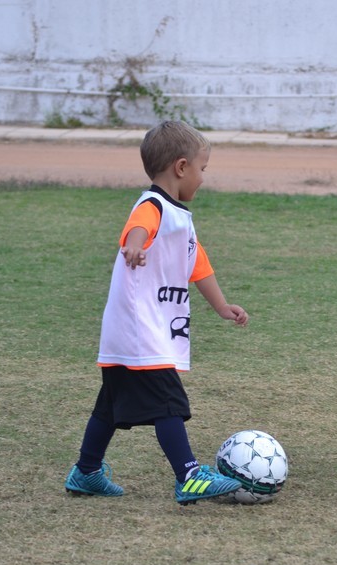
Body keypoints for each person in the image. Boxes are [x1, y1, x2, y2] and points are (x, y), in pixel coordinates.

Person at [64, 120, 250, 505]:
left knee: (111, 403)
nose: (203, 178)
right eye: (202, 169)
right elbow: (139, 228)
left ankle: (86, 471)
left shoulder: (180, 218)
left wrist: (221, 306)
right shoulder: (153, 206)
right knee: (168, 399)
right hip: (140, 326)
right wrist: (134, 245)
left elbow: (198, 265)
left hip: (137, 327)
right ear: (181, 167)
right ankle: (189, 476)